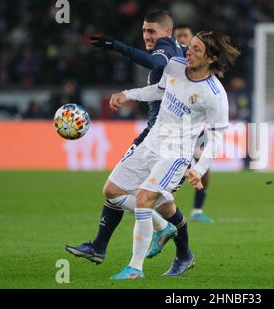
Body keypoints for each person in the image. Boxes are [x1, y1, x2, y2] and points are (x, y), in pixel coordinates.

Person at [109, 30, 240, 280]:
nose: (188, 51)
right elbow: (157, 91)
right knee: (112, 192)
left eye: (196, 49)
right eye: (189, 46)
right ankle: (171, 239)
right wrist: (127, 94)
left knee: (144, 200)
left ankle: (135, 268)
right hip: (151, 142)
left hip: (175, 153)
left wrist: (198, 169)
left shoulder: (215, 95)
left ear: (211, 58)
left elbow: (215, 140)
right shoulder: (175, 66)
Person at [65, 10, 190, 270]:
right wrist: (128, 94)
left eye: (151, 31)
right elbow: (160, 87)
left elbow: (153, 63)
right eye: (144, 31)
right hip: (159, 133)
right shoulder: (179, 49)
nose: (147, 36)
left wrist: (117, 46)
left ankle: (162, 240)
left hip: (163, 138)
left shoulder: (165, 47)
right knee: (160, 201)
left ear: (167, 32)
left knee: (123, 192)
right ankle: (179, 251)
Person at [173, 24, 215, 223]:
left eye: (185, 36)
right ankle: (163, 208)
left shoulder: (198, 65)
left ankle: (197, 210)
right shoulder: (173, 64)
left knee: (203, 168)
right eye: (178, 35)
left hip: (198, 127)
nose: (182, 38)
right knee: (176, 169)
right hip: (175, 127)